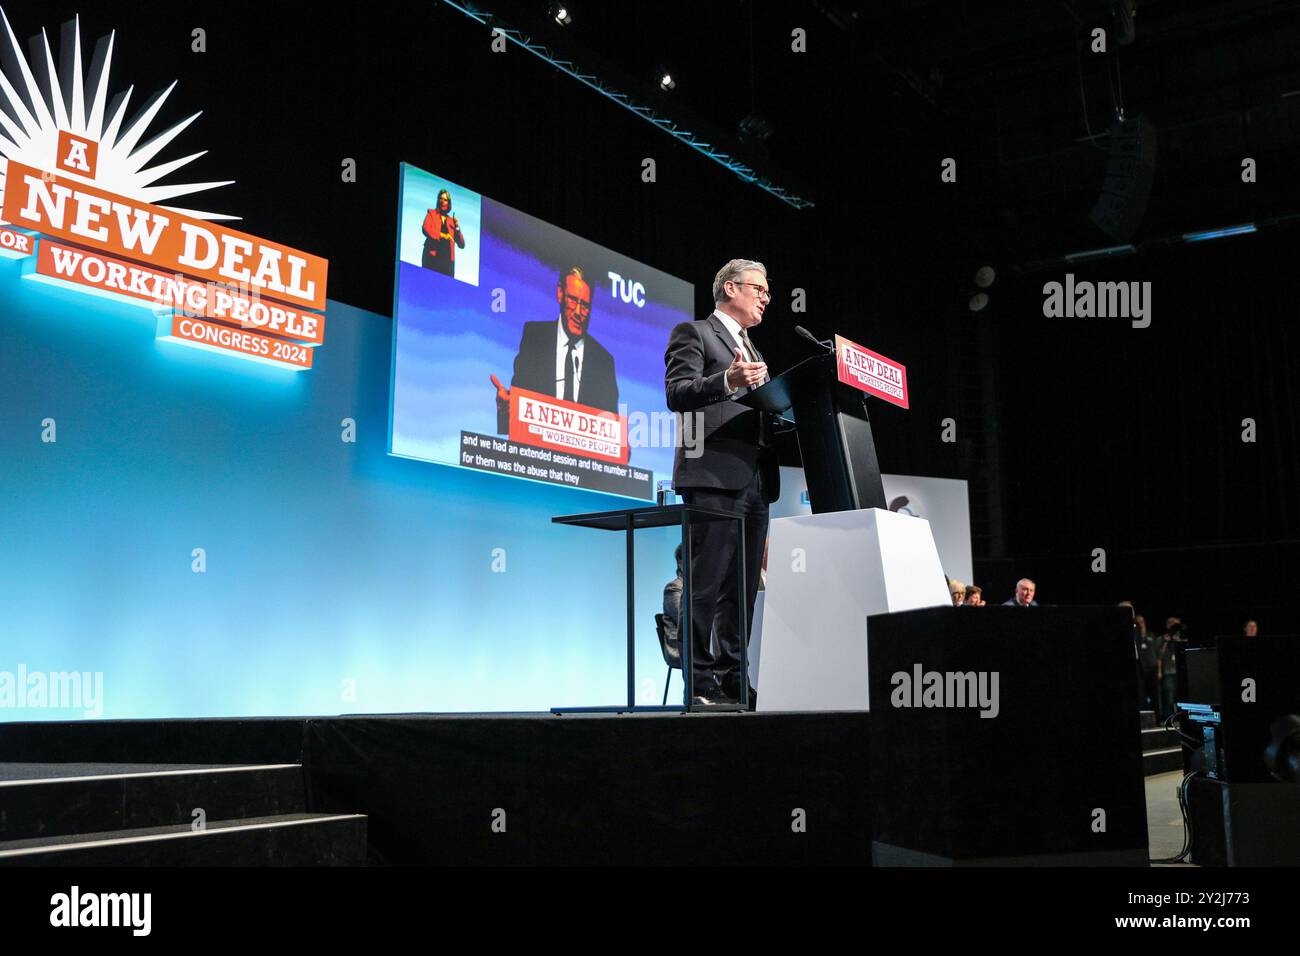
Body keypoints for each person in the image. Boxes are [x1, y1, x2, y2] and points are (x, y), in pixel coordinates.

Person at [664, 258, 779, 706]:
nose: (766, 298)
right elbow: (677, 393)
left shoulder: (755, 350)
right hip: (711, 475)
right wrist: (726, 380)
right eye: (759, 289)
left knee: (743, 592)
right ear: (731, 288)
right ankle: (701, 683)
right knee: (705, 586)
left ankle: (735, 679)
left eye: (768, 291)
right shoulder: (694, 334)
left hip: (755, 481)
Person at [493, 266, 619, 433]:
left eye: (585, 305)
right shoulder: (534, 337)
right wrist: (505, 412)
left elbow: (612, 438)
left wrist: (622, 445)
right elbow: (516, 422)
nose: (578, 312)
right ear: (560, 293)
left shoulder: (603, 362)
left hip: (584, 460)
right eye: (573, 300)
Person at [421, 189, 465, 276]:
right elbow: (425, 228)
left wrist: (456, 227)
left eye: (445, 200)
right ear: (438, 200)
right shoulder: (431, 213)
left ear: (448, 203)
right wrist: (442, 235)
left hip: (447, 262)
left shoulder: (451, 221)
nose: (442, 201)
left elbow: (461, 244)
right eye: (441, 199)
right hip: (432, 256)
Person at [1156, 617, 1185, 719]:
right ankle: (1169, 719)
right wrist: (1165, 642)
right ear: (1167, 625)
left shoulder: (1180, 638)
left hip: (1180, 671)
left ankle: (1181, 719)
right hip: (1168, 671)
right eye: (1172, 624)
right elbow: (1158, 656)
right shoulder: (1161, 639)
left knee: (1181, 697)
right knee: (1169, 697)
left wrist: (1179, 641)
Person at [662, 545, 683, 656]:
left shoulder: (702, 588)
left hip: (699, 644)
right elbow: (685, 621)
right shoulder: (673, 588)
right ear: (680, 563)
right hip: (680, 648)